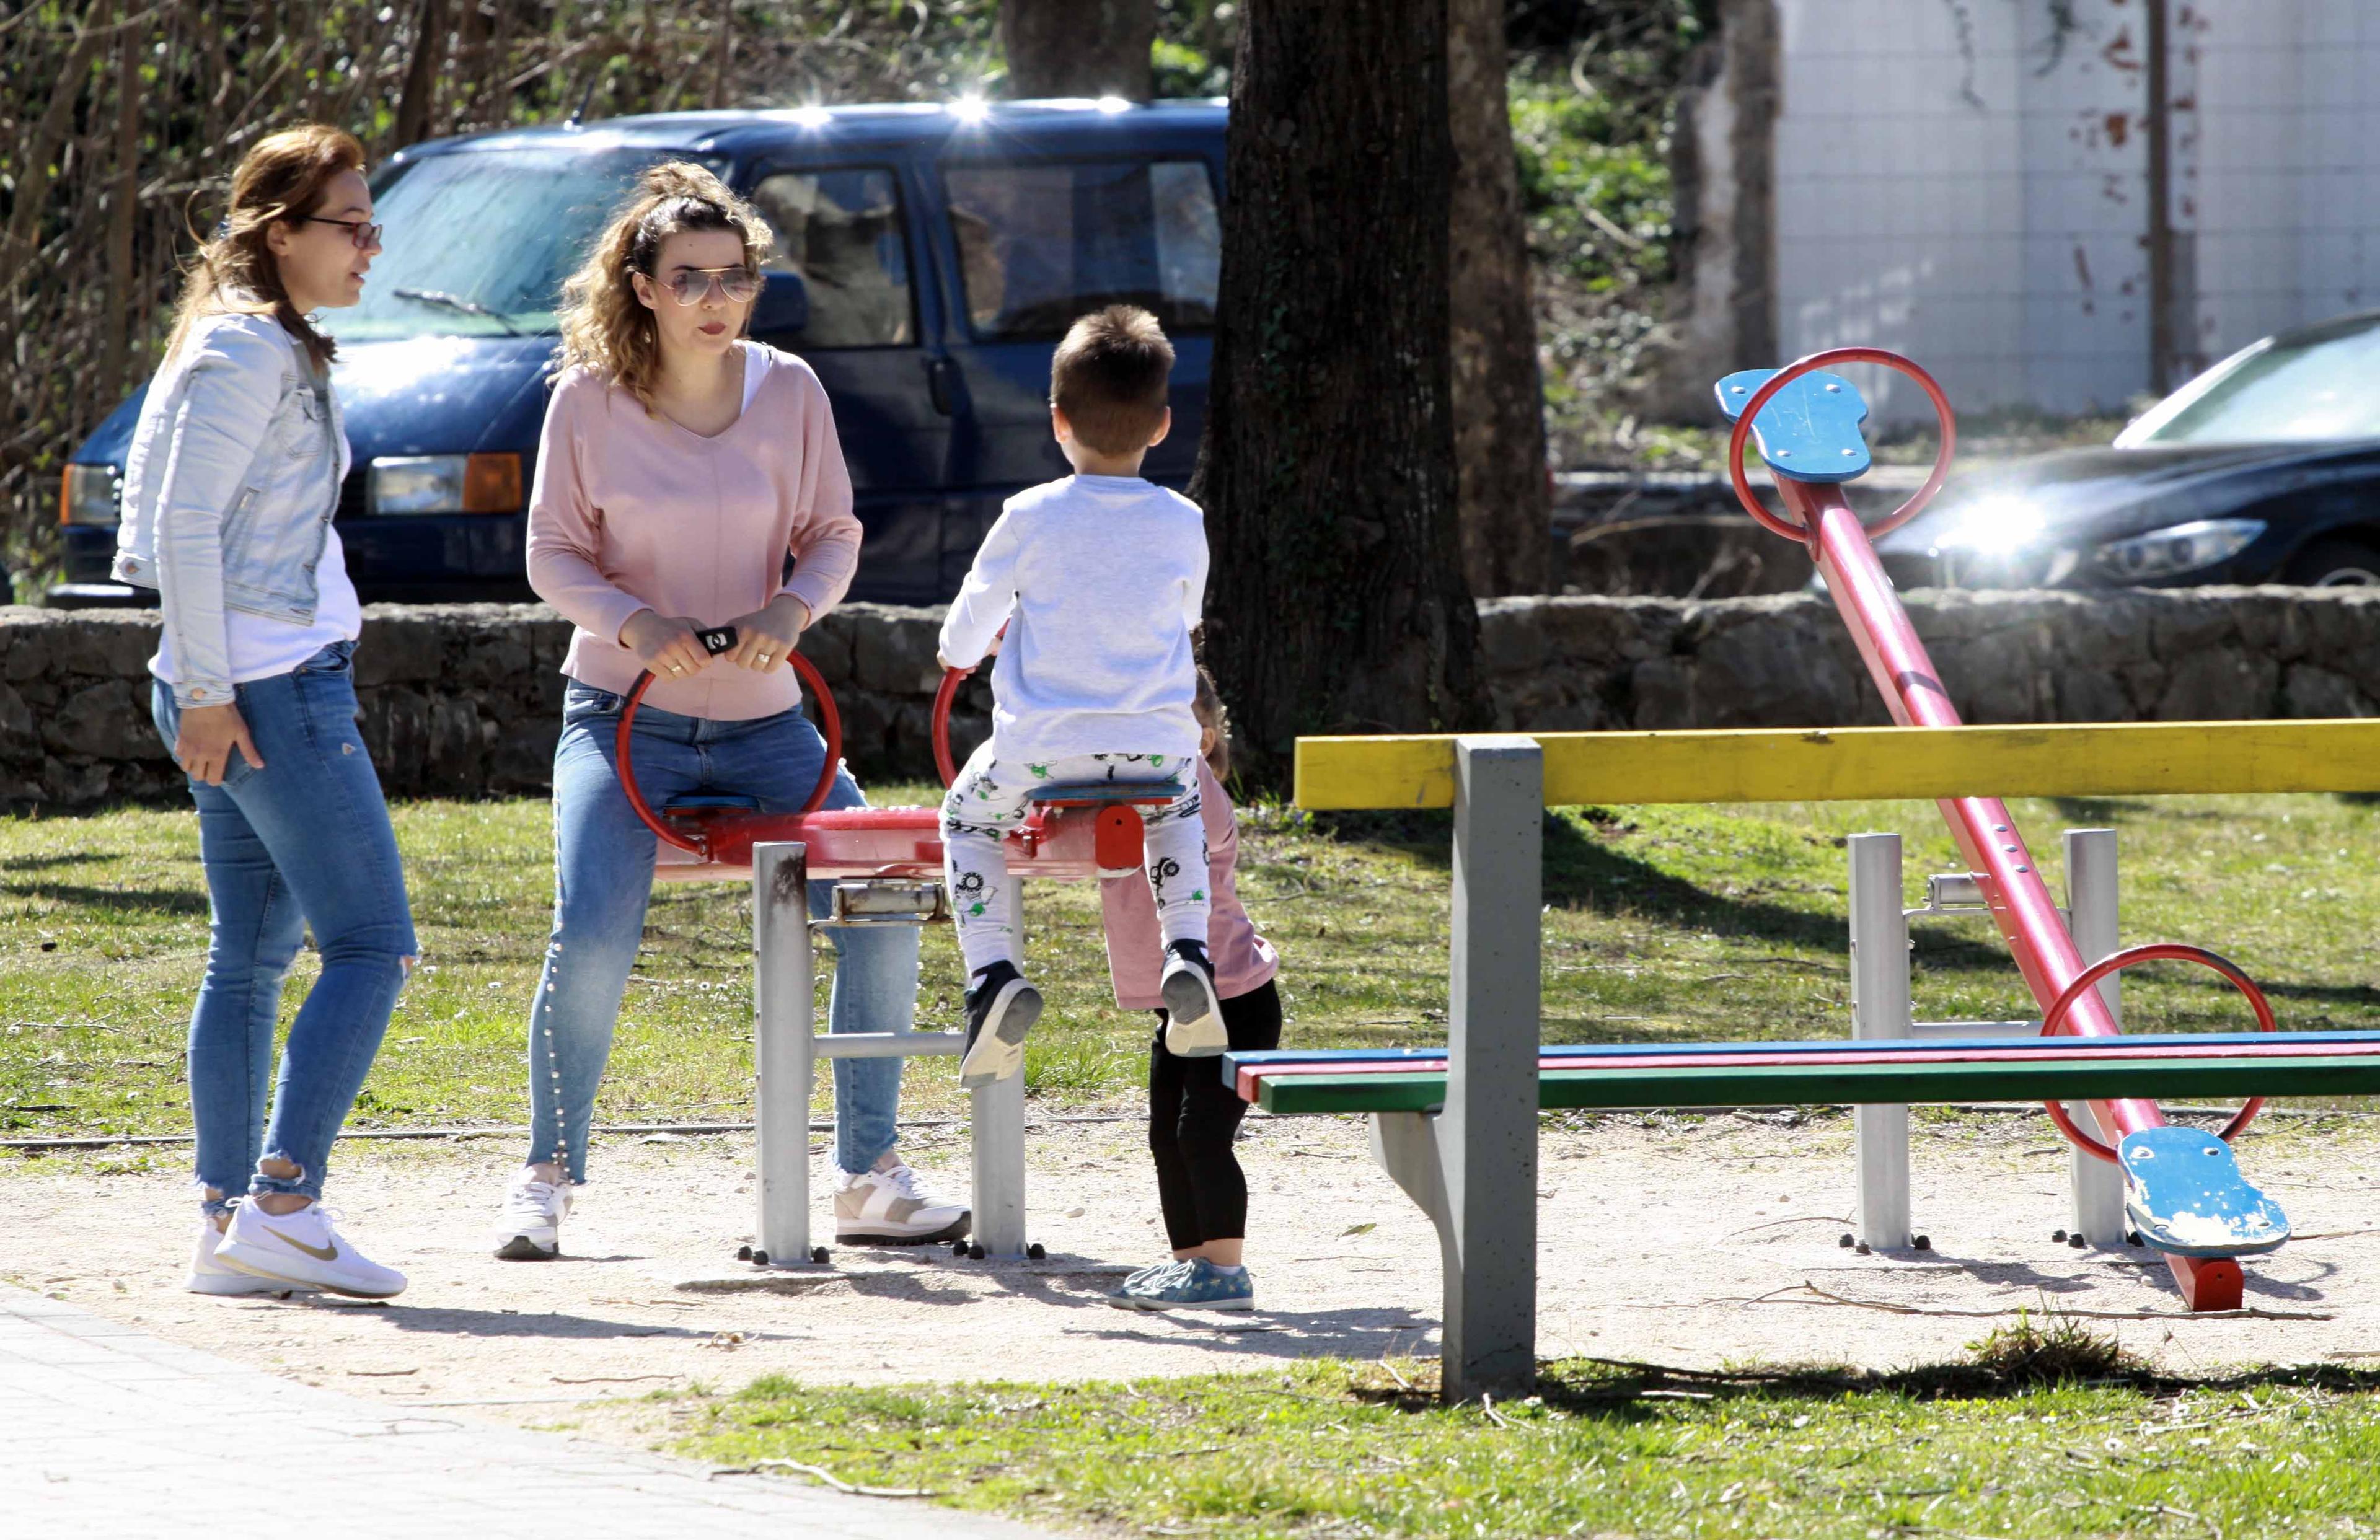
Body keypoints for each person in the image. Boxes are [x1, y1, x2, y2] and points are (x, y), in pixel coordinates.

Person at [496, 161, 967, 1259]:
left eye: (736, 277)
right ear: (643, 287)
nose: (716, 298)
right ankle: (545, 1178)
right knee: (595, 931)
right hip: (623, 725)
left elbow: (835, 533)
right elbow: (550, 553)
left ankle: (869, 1174)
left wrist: (793, 608)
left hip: (769, 731)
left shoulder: (791, 389)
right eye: (690, 277)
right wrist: (633, 626)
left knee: (887, 897)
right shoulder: (588, 401)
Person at [115, 125, 416, 1301]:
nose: (369, 246)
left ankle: (227, 1223)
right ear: (276, 233)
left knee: (248, 957)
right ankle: (286, 1203)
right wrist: (202, 692)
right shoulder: (245, 353)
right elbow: (182, 530)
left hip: (249, 677)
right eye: (350, 225)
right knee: (371, 947)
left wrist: (202, 684)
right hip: (265, 687)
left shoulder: (260, 343)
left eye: (372, 224)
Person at [935, 306, 1223, 1089]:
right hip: (1157, 746)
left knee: (966, 820)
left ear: (1057, 419)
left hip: (1042, 750)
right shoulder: (1184, 520)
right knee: (1178, 815)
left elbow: (964, 639)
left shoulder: (1028, 516)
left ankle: (993, 972)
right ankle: (1187, 949)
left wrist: (969, 645)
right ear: (1161, 426)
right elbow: (1184, 618)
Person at [1103, 671, 1280, 1313]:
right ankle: (1191, 1265)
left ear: (1201, 739)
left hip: (1235, 999)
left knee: (1201, 1134)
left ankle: (1227, 1271)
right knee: (1164, 1137)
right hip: (1180, 1004)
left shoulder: (1198, 795)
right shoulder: (1127, 794)